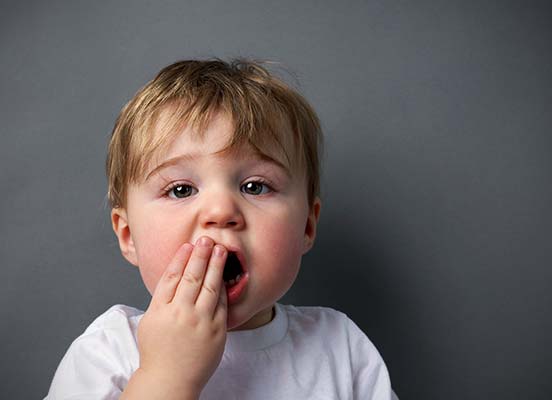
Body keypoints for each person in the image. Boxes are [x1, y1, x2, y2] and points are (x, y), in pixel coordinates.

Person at [45, 58, 398, 399]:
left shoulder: (342, 348)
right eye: (181, 190)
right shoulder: (108, 352)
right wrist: (165, 376)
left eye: (255, 186)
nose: (220, 211)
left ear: (306, 225)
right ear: (128, 236)